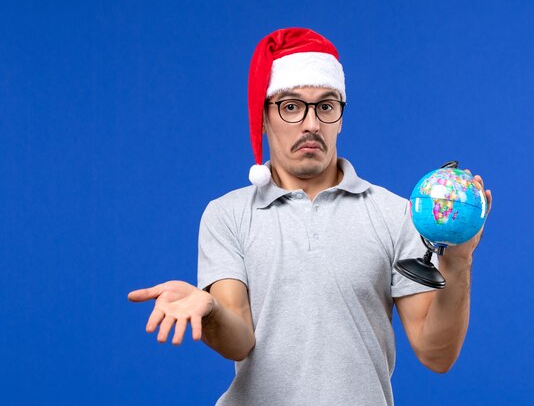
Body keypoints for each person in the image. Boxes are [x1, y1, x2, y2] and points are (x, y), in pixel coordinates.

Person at [128, 28, 493, 406]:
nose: (311, 125)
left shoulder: (394, 213)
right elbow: (240, 342)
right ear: (264, 118)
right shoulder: (228, 215)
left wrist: (459, 261)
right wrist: (211, 312)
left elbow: (436, 354)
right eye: (291, 106)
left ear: (340, 116)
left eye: (326, 106)